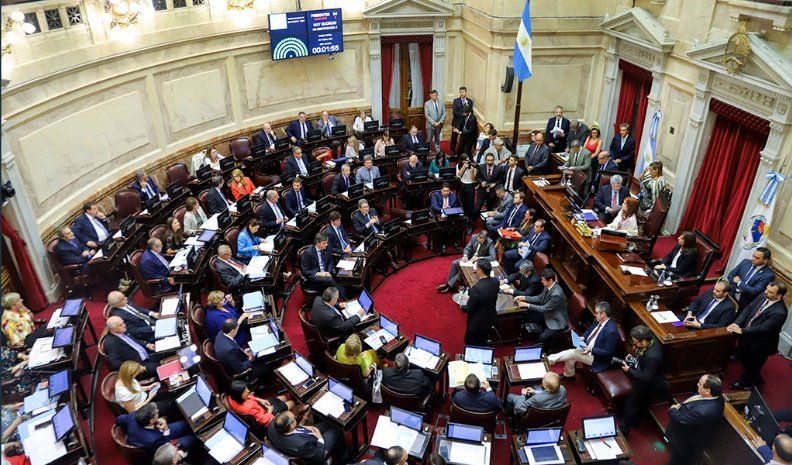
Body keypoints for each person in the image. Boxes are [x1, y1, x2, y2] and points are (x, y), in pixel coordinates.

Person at [727, 281, 789, 390]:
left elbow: (764, 328)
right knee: (744, 356)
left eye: (770, 292)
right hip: (747, 335)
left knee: (754, 365)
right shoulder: (763, 296)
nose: (766, 292)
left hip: (761, 344)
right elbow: (749, 308)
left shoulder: (780, 312)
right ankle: (754, 378)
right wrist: (736, 323)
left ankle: (748, 382)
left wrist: (741, 330)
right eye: (766, 289)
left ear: (779, 296)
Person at [547, 302, 620, 377]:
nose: (594, 314)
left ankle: (548, 360)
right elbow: (589, 330)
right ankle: (569, 375)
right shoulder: (598, 320)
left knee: (573, 353)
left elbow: (608, 353)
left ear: (603, 314)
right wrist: (584, 337)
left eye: (596, 313)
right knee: (571, 356)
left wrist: (591, 349)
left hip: (597, 358)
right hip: (586, 347)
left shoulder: (611, 331)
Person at [666, 375, 725, 465]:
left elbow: (681, 419)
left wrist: (673, 409)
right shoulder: (715, 396)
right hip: (687, 435)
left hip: (685, 441)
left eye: (700, 384)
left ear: (707, 391)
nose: (697, 384)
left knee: (677, 460)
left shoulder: (703, 411)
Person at [620, 325, 668, 435]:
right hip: (642, 370)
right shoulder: (650, 339)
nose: (633, 344)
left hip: (646, 383)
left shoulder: (653, 357)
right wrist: (634, 359)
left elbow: (646, 377)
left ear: (644, 341)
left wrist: (629, 370)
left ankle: (625, 429)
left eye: (635, 342)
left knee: (631, 405)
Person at [516, 269, 569, 345]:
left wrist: (527, 305)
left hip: (556, 321)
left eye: (543, 280)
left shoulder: (557, 294)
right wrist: (524, 298)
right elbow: (540, 298)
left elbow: (544, 308)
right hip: (548, 313)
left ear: (550, 280)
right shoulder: (548, 286)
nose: (541, 282)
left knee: (541, 338)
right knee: (526, 317)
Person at [267, 411, 342, 465]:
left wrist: (302, 427)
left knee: (330, 422)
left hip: (305, 435)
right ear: (291, 425)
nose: (296, 417)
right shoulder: (302, 445)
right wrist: (320, 438)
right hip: (316, 448)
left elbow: (290, 428)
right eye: (294, 418)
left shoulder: (271, 427)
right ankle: (343, 455)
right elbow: (319, 456)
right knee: (335, 430)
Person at [117, 404, 195, 451]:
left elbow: (119, 420)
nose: (158, 410)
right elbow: (166, 445)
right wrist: (166, 429)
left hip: (143, 435)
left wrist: (128, 429)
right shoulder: (152, 439)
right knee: (188, 432)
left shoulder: (132, 416)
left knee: (184, 424)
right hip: (157, 441)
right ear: (151, 421)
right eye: (156, 413)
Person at [214, 318, 269, 382]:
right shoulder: (230, 350)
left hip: (235, 359)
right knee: (266, 366)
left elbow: (234, 348)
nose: (237, 331)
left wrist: (243, 351)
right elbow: (239, 369)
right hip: (239, 372)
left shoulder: (221, 333)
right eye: (237, 329)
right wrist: (250, 360)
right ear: (232, 331)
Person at [227, 380, 295, 430]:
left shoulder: (232, 397)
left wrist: (260, 400)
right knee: (292, 402)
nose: (248, 391)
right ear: (240, 395)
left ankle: (295, 410)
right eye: (245, 391)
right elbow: (263, 420)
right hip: (268, 416)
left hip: (262, 407)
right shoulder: (248, 409)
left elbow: (248, 397)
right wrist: (270, 411)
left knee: (286, 396)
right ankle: (295, 418)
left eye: (246, 388)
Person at [461, 260, 499, 346]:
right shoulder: (495, 281)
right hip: (491, 317)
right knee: (483, 339)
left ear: (480, 270)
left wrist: (462, 306)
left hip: (477, 322)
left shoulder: (476, 288)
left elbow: (470, 308)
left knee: (470, 342)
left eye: (476, 268)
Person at [456, 154, 478, 230]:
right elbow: (458, 175)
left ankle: (470, 222)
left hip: (470, 185)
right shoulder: (459, 165)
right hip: (462, 185)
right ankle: (463, 219)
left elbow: (474, 179)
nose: (467, 162)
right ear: (462, 161)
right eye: (465, 160)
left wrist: (472, 171)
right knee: (462, 202)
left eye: (468, 160)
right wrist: (464, 167)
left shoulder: (473, 166)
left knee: (470, 204)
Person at [450, 87, 473, 154]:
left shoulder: (470, 101)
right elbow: (454, 112)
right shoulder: (456, 101)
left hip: (465, 123)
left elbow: (470, 111)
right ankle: (452, 150)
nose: (461, 93)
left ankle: (460, 150)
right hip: (456, 122)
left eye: (463, 92)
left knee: (463, 137)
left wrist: (467, 113)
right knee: (454, 137)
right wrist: (463, 114)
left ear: (466, 92)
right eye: (460, 92)